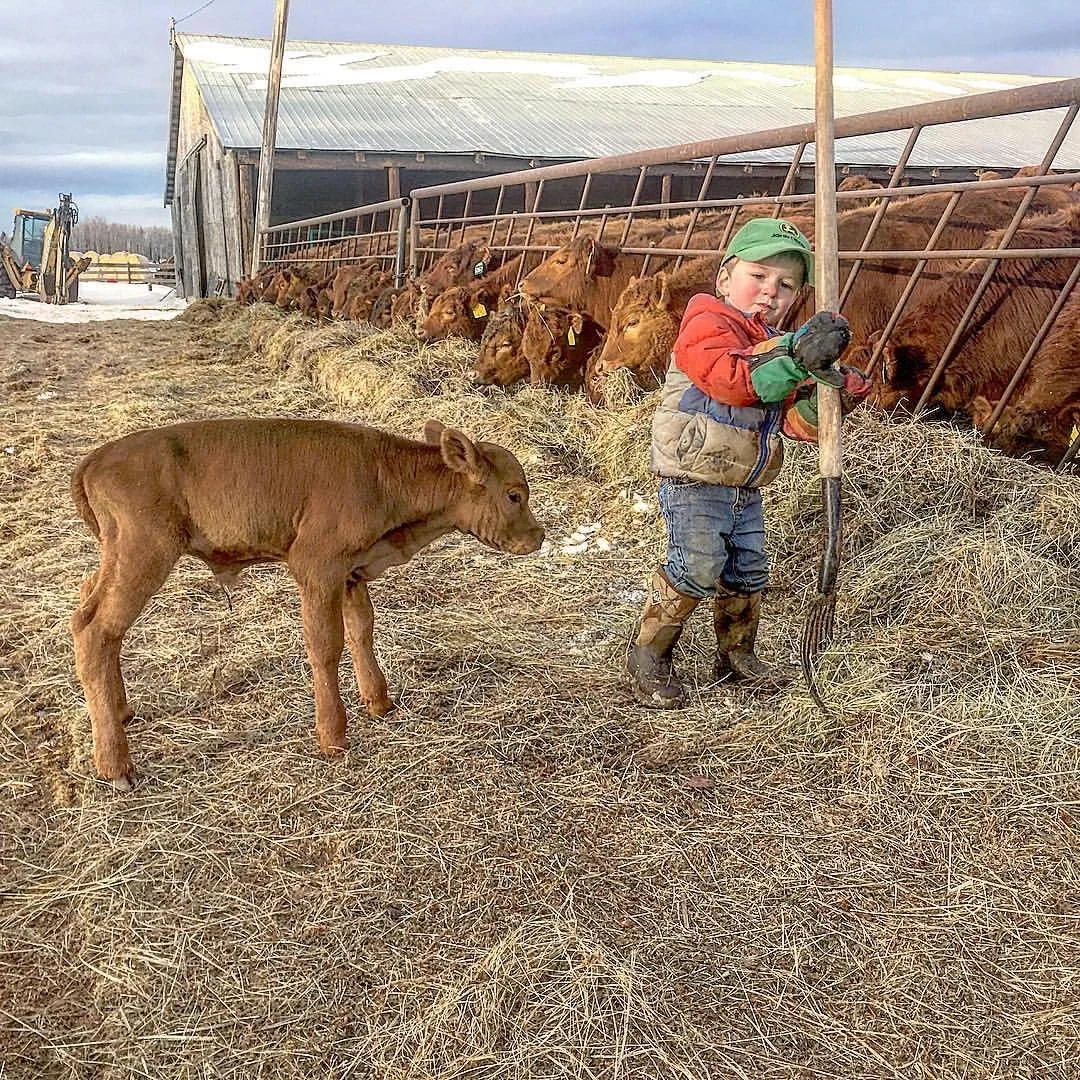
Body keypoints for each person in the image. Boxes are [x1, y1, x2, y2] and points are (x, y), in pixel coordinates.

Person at [625, 217, 872, 709]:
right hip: (693, 474)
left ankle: (736, 655)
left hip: (746, 482)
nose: (769, 293)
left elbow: (792, 424)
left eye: (785, 286)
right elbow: (731, 377)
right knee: (697, 563)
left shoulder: (783, 348)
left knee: (747, 571)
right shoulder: (707, 323)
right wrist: (795, 354)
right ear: (724, 278)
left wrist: (833, 393)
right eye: (758, 276)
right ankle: (648, 653)